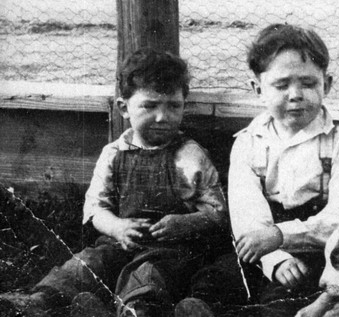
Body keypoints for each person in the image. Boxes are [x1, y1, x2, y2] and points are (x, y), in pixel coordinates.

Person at [1, 48, 236, 317]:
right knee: (87, 263)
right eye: (149, 105)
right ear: (124, 107)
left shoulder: (191, 155)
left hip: (172, 247)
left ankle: (136, 309)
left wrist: (183, 223)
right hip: (118, 242)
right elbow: (95, 209)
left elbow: (217, 213)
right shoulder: (114, 153)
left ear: (184, 103)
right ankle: (41, 301)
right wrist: (117, 227)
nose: (162, 117)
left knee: (149, 273)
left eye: (173, 105)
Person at [228, 23, 339, 316]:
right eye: (281, 86)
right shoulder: (248, 142)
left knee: (285, 297)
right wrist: (274, 258)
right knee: (217, 280)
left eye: (308, 83)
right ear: (258, 89)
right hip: (262, 244)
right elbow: (246, 214)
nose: (296, 94)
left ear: (326, 85)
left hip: (319, 246)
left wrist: (281, 236)